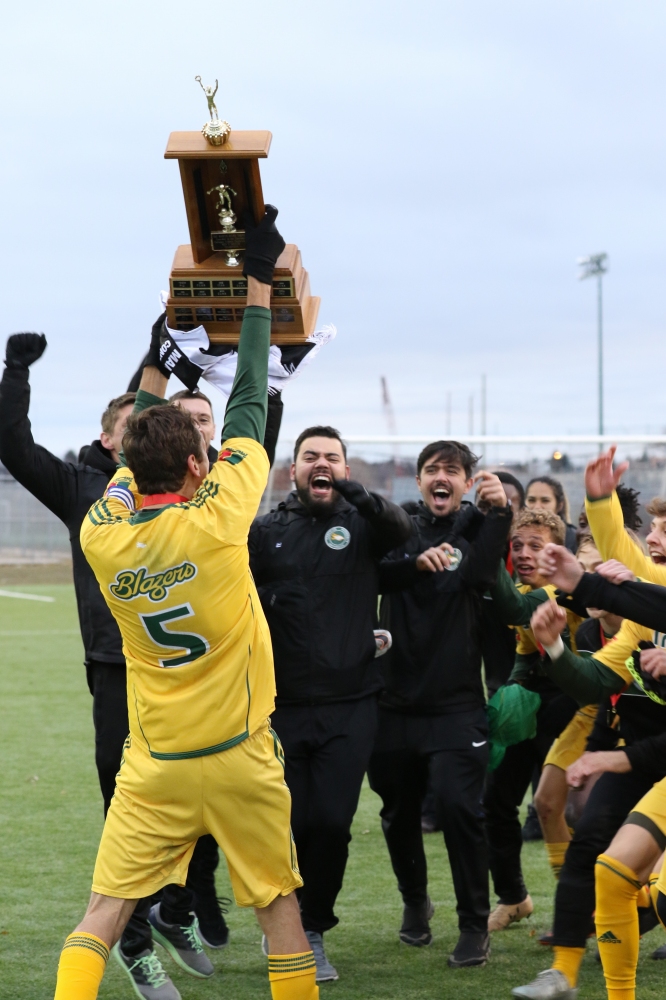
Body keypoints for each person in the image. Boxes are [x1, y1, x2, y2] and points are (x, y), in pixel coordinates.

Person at [52, 206, 320, 1000]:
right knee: (280, 910)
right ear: (202, 467)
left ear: (124, 465)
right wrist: (260, 287)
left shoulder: (104, 531)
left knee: (101, 913)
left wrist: (156, 365)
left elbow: (134, 447)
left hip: (157, 764)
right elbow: (246, 399)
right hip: (239, 752)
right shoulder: (219, 520)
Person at [248, 426, 412, 981]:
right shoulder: (266, 531)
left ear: (345, 468)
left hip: (351, 704)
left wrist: (357, 492)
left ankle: (313, 927)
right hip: (283, 706)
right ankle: (284, 928)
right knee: (285, 824)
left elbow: (401, 528)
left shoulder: (362, 526)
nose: (321, 464)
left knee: (332, 823)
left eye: (332, 458)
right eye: (310, 457)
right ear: (292, 470)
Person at [366, 440, 512, 969]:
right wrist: (414, 563)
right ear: (420, 479)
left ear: (468, 482)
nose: (441, 477)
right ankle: (414, 902)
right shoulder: (398, 525)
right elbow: (378, 572)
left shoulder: (479, 526)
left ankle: (474, 926)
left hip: (456, 707)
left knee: (458, 807)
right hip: (394, 704)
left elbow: (477, 577)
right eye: (432, 470)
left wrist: (500, 513)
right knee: (397, 811)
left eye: (452, 470)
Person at [512, 544, 666, 1000]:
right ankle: (565, 971)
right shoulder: (609, 633)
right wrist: (556, 643)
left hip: (647, 757)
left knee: (650, 887)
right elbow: (600, 692)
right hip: (644, 758)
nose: (657, 540)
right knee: (602, 861)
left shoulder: (645, 611)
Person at [483, 509, 584, 933]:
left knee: (569, 810)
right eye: (517, 545)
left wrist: (484, 546)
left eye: (535, 545)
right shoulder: (528, 588)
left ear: (558, 551)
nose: (524, 553)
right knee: (496, 800)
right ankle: (514, 898)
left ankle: (582, 909)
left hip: (579, 706)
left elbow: (514, 606)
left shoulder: (567, 594)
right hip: (536, 705)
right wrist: (513, 689)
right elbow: (526, 653)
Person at [525, 476, 577, 552]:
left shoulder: (574, 540)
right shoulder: (517, 537)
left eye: (545, 501)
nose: (537, 507)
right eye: (531, 500)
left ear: (559, 506)